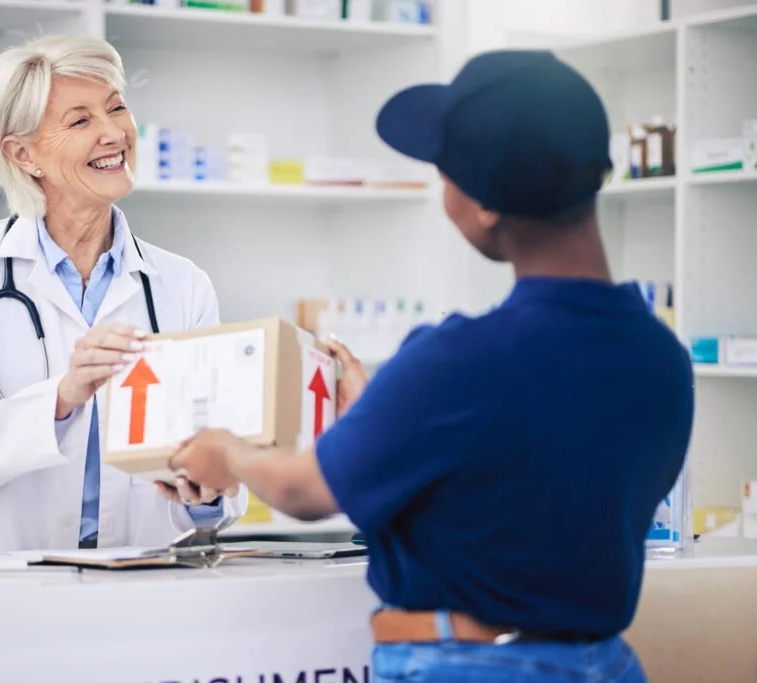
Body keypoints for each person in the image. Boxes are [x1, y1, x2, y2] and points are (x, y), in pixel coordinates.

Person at [169, 50, 693, 682]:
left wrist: (228, 455)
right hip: (603, 664)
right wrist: (378, 413)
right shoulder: (661, 357)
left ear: (487, 203)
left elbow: (306, 493)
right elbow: (517, 487)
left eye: (446, 174)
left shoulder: (458, 360)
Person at [0, 34, 247, 556]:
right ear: (23, 153)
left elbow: (212, 464)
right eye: (81, 120)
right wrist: (62, 397)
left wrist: (207, 493)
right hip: (3, 583)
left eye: (117, 108)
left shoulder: (182, 284)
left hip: (142, 578)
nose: (114, 134)